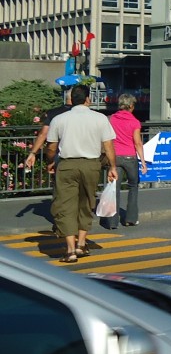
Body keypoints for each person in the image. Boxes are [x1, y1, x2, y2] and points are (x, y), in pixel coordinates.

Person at [45, 84, 118, 264]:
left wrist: (50, 162)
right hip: (91, 165)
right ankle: (82, 243)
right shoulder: (100, 118)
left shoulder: (59, 119)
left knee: (66, 206)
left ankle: (70, 250)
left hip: (67, 165)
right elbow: (109, 146)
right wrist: (112, 167)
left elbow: (51, 147)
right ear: (88, 99)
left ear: (71, 100)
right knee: (86, 203)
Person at [22, 94, 73, 235]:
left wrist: (33, 153)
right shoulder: (87, 114)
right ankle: (76, 228)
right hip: (83, 157)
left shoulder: (54, 113)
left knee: (60, 192)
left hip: (60, 156)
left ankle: (60, 223)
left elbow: (43, 135)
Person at [103, 93, 146, 229]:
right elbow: (138, 143)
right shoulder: (134, 122)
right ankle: (131, 219)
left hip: (114, 158)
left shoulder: (111, 119)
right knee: (133, 186)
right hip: (130, 158)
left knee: (113, 188)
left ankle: (112, 222)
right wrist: (143, 162)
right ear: (131, 106)